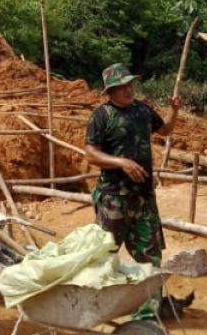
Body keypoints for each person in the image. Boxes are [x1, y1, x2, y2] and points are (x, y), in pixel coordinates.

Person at [83, 63, 182, 320]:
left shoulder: (143, 111)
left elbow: (166, 130)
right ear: (110, 91)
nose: (128, 90)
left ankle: (148, 314)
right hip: (114, 199)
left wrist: (174, 110)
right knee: (104, 256)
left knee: (150, 256)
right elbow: (90, 153)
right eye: (122, 86)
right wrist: (121, 162)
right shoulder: (102, 116)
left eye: (130, 84)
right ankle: (97, 308)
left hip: (144, 199)